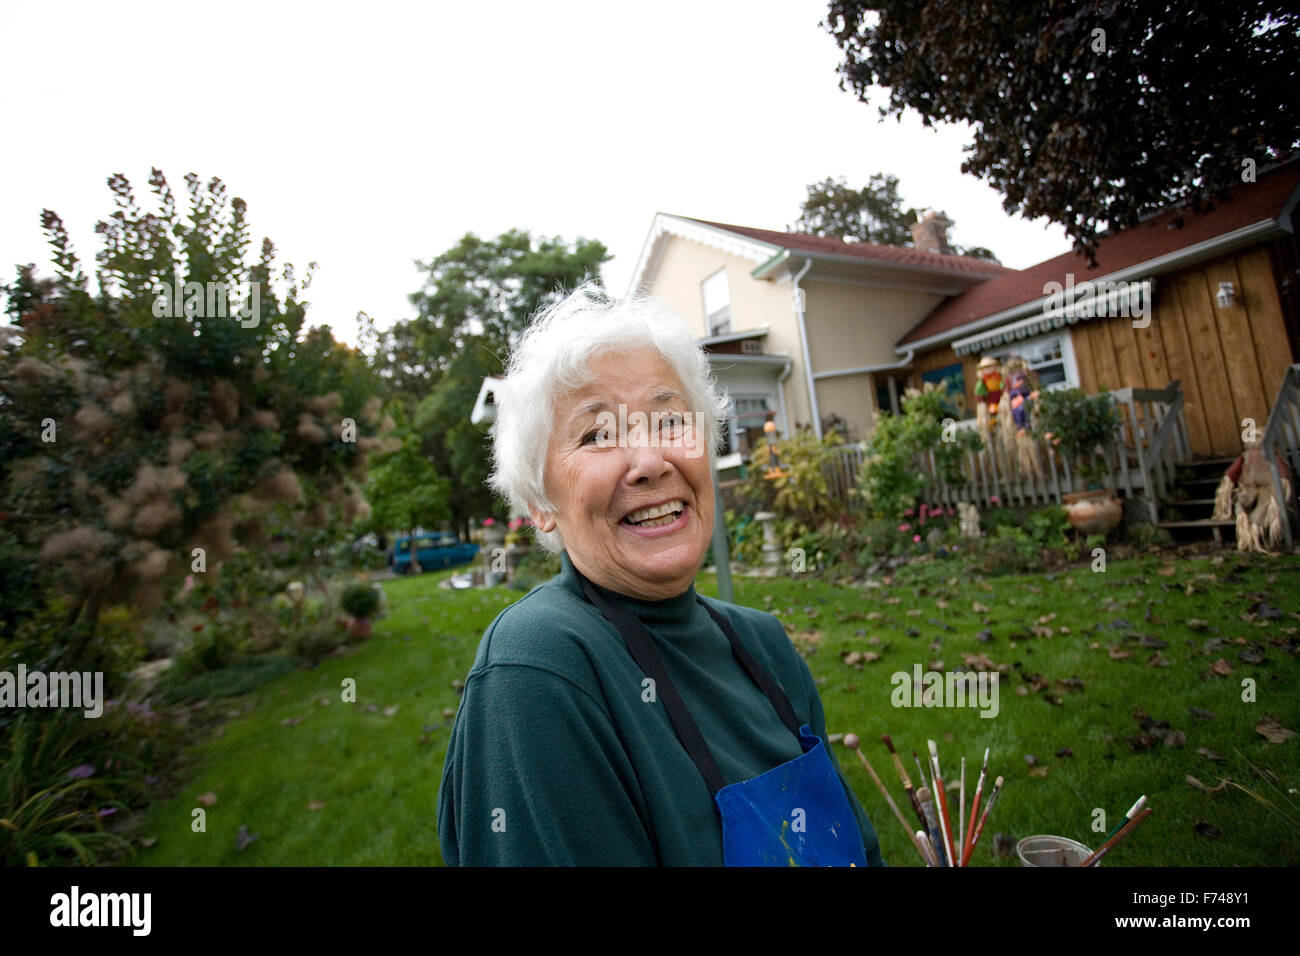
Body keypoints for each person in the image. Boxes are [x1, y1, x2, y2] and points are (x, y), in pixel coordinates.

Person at [436, 282, 885, 866]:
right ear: (541, 502)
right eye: (598, 434)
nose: (650, 462)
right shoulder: (538, 670)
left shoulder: (765, 646)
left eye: (671, 422)